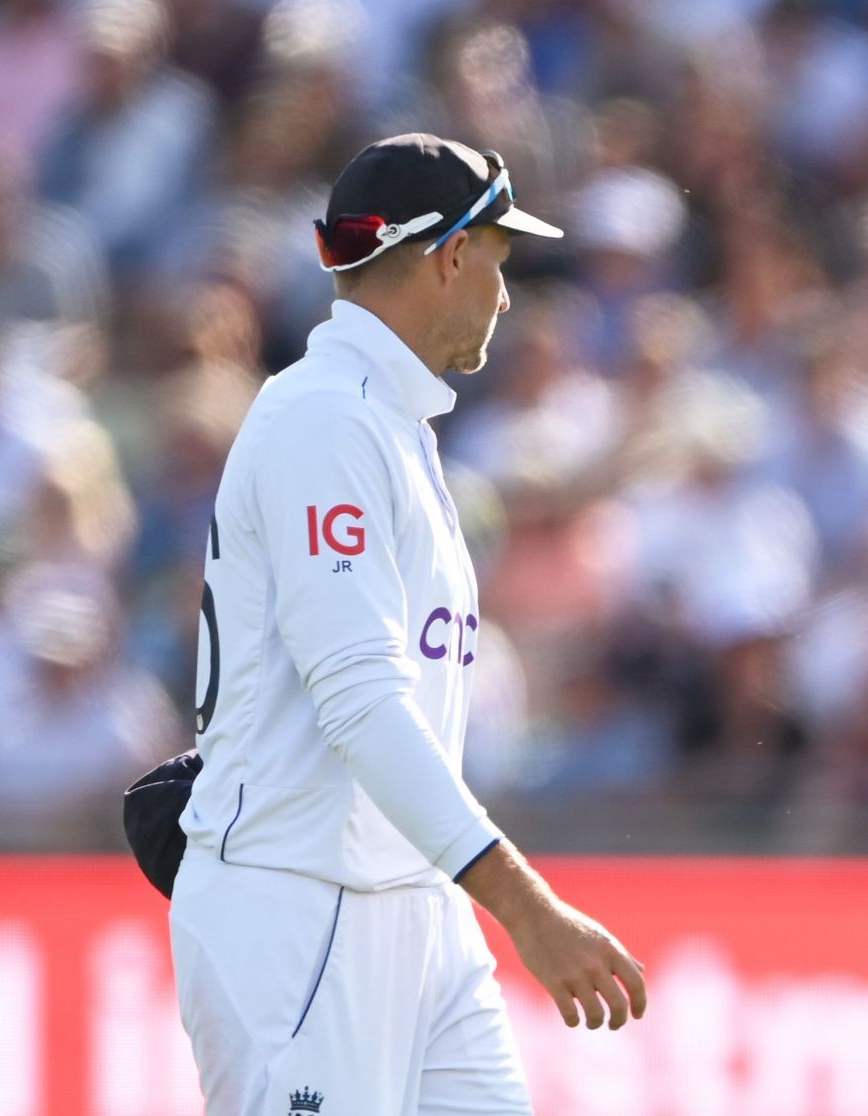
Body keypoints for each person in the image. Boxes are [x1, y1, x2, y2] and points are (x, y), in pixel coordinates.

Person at [169, 134, 646, 1116]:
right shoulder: (325, 421)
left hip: (407, 899)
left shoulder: (387, 423)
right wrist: (527, 908)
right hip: (300, 902)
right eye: (501, 264)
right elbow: (360, 703)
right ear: (451, 255)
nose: (506, 299)